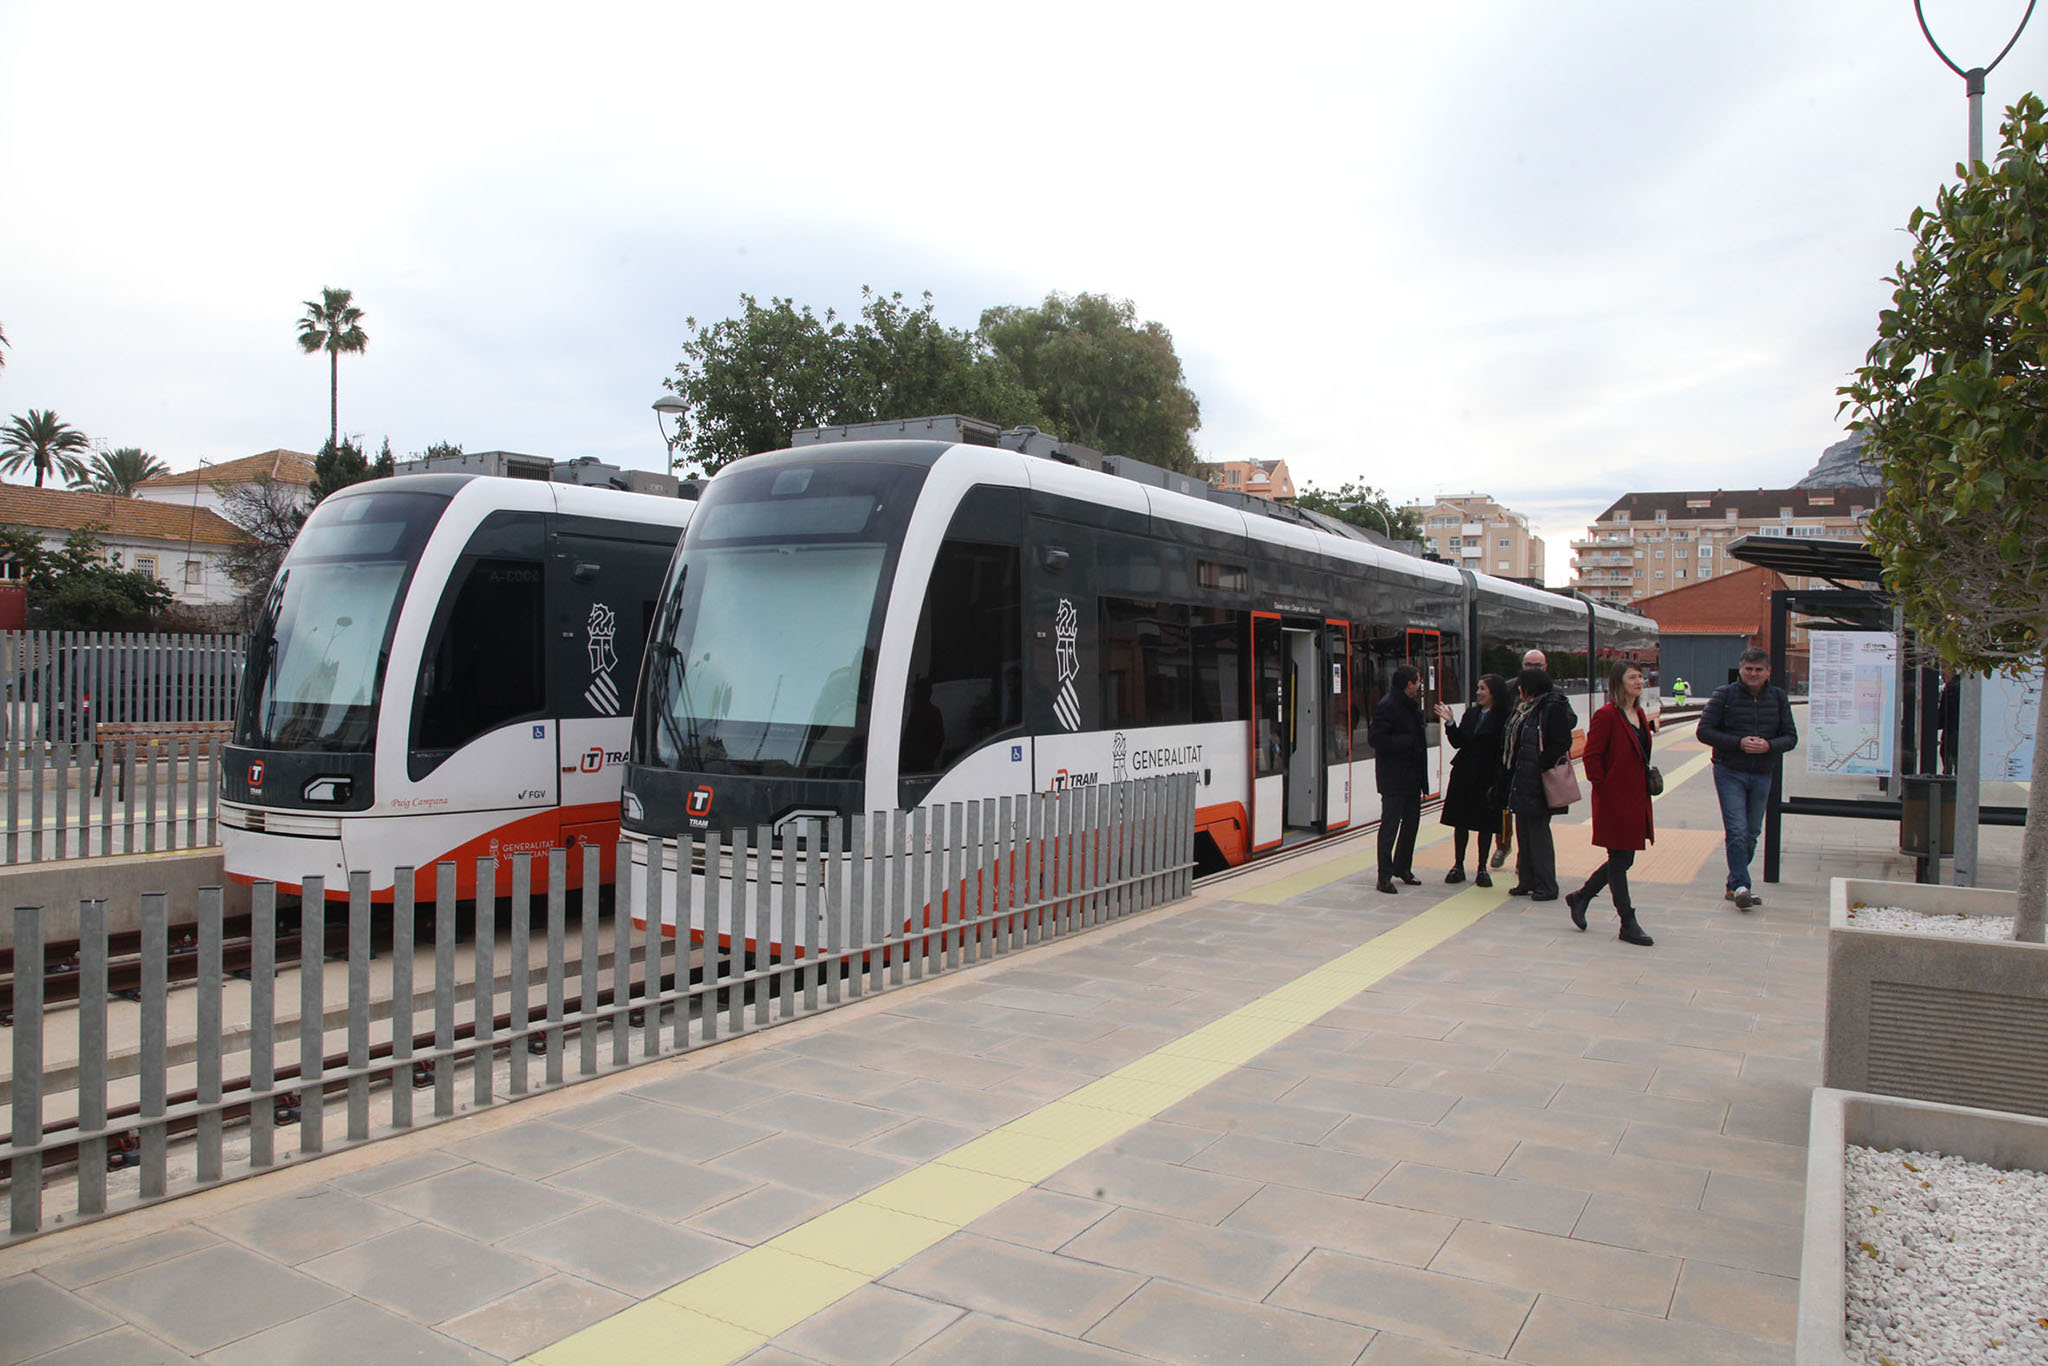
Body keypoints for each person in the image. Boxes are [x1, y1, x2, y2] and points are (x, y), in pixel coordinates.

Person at [1697, 647, 1798, 910]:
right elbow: (1704, 731)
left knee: (1752, 832)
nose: (1753, 674)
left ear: (1768, 672)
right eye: (1749, 669)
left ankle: (1734, 884)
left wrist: (1769, 746)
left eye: (1759, 670)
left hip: (1763, 772)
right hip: (1729, 770)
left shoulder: (1778, 698)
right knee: (1737, 830)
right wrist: (1738, 743)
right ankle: (1743, 886)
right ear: (1740, 669)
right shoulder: (1724, 695)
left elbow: (1790, 737)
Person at [1566, 661, 1657, 947]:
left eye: (1641, 677)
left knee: (1625, 858)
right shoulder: (1607, 715)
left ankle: (1581, 897)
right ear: (1619, 682)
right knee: (1620, 859)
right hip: (1614, 799)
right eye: (1633, 677)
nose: (1640, 682)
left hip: (1636, 798)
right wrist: (1604, 788)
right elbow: (1591, 756)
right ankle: (1627, 921)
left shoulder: (1639, 713)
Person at [1500, 667, 1575, 901]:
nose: (1518, 690)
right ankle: (1527, 880)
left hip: (1539, 782)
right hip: (1523, 779)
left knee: (1538, 834)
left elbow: (1561, 741)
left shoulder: (1550, 708)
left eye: (1521, 685)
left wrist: (1541, 765)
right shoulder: (1526, 709)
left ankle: (1547, 885)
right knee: (1524, 831)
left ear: (1529, 687)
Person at [1435, 674, 1511, 886]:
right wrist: (1450, 723)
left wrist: (1500, 780)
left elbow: (1503, 750)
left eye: (1482, 689)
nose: (1478, 692)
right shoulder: (1472, 713)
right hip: (1464, 774)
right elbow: (1459, 742)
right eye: (1478, 688)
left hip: (1487, 777)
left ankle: (1482, 868)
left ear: (1494, 693)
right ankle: (1458, 865)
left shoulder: (1504, 716)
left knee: (1485, 824)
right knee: (1461, 821)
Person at [1369, 664, 1427, 895]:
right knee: (1390, 825)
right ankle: (1384, 876)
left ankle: (1403, 867)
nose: (1420, 686)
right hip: (1394, 778)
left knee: (1411, 823)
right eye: (1418, 681)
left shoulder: (1411, 706)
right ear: (1409, 684)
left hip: (1412, 777)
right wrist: (1406, 742)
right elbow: (1376, 739)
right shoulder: (1388, 706)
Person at [1492, 649, 1549, 871]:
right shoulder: (1509, 689)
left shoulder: (1551, 692)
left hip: (1533, 766)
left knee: (1531, 817)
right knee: (1504, 806)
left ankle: (1524, 861)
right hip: (1509, 762)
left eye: (1537, 665)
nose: (1532, 669)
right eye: (1528, 664)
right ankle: (1503, 845)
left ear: (1545, 668)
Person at [1939, 670, 1960, 776]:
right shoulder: (1949, 687)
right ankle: (1950, 773)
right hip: (1951, 727)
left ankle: (1949, 774)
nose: (1942, 677)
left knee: (1949, 752)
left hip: (1953, 727)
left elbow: (1946, 710)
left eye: (1943, 673)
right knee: (1948, 752)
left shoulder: (1953, 688)